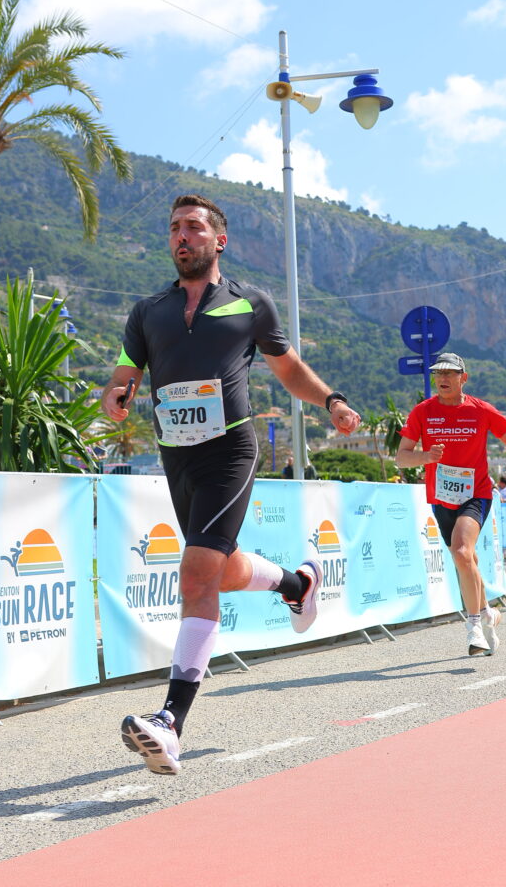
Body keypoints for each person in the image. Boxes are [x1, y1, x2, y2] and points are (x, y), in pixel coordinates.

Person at [101, 193, 361, 774]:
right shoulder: (148, 312)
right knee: (218, 566)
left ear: (219, 240)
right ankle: (296, 583)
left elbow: (288, 367)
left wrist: (332, 401)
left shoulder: (251, 304)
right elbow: (124, 373)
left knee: (195, 573)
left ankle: (170, 723)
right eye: (173, 228)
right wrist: (116, 395)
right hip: (177, 456)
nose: (181, 237)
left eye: (193, 227)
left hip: (230, 451)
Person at [396, 352, 506, 657]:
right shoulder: (423, 412)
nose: (443, 379)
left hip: (476, 494)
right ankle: (488, 611)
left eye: (450, 374)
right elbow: (402, 456)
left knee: (462, 551)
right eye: (438, 374)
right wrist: (425, 457)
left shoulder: (480, 410)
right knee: (466, 561)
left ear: (463, 378)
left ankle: (475, 627)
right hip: (441, 498)